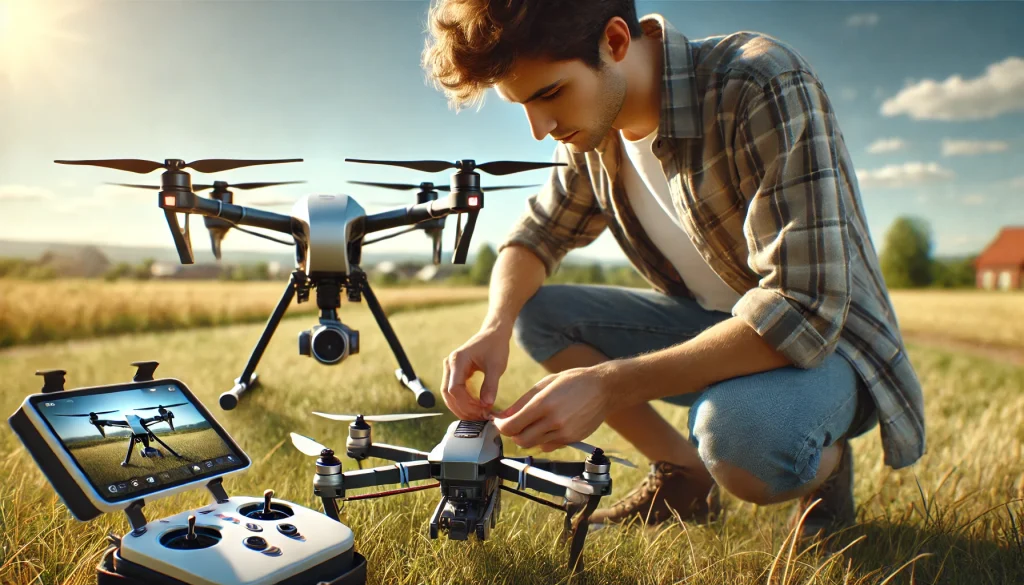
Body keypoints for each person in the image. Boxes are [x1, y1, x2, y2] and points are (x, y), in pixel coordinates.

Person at [421, 0, 925, 540]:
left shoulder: (760, 83)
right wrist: (494, 326)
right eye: (521, 104)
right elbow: (535, 235)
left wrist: (608, 386)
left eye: (549, 94)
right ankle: (686, 480)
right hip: (717, 326)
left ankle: (826, 469)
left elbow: (803, 307)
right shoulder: (594, 128)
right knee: (538, 314)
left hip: (829, 346)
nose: (541, 129)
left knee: (735, 434)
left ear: (615, 42)